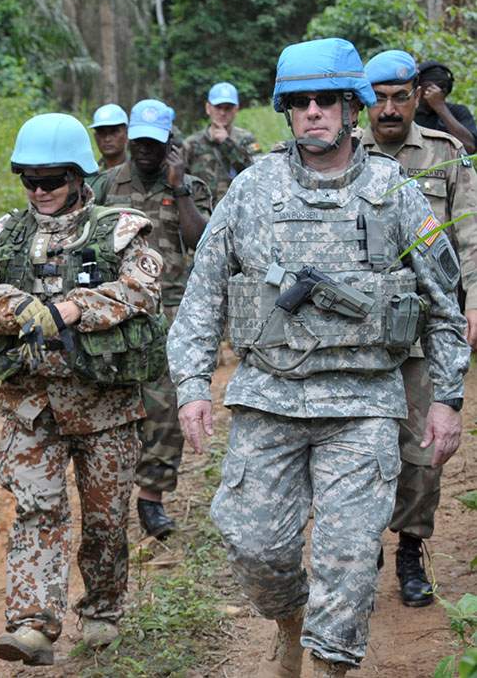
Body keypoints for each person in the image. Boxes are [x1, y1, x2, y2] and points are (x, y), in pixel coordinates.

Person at [170, 38, 467, 678]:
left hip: (363, 407)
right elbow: (202, 293)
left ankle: (331, 663)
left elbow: (444, 302)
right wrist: (192, 384)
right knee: (255, 545)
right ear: (285, 109)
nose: (313, 111)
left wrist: (446, 399)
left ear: (349, 107)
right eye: (300, 101)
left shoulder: (397, 192)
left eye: (325, 99)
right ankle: (289, 621)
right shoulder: (252, 190)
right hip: (269, 399)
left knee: (350, 554)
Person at [0, 112, 164, 665]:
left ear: (79, 176)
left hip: (105, 407)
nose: (40, 191)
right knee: (37, 512)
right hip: (33, 407)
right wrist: (20, 307)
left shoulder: (122, 228)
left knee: (104, 520)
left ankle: (101, 611)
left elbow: (142, 288)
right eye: (29, 179)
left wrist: (72, 309)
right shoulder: (4, 235)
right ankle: (32, 623)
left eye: (51, 179)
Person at [362, 48, 477, 608]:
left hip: (425, 330)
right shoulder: (339, 155)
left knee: (423, 448)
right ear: (364, 102)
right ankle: (363, 546)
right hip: (355, 331)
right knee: (356, 444)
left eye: (398, 97)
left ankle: (411, 548)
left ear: (416, 97)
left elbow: (471, 237)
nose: (388, 109)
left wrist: (474, 300)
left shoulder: (447, 155)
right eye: (378, 99)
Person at [92, 98, 212, 540]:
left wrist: (179, 188)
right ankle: (110, 491)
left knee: (165, 407)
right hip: (116, 310)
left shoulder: (192, 187)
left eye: (154, 144)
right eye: (139, 141)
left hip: (171, 311)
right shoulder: (104, 187)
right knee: (114, 403)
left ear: (170, 145)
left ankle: (152, 497)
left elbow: (202, 241)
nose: (145, 150)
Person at [184, 81, 261, 204]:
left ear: (236, 109)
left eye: (228, 108)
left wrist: (228, 144)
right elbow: (180, 181)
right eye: (218, 107)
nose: (222, 113)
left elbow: (258, 175)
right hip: (202, 213)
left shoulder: (247, 140)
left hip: (237, 210)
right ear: (208, 108)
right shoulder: (192, 143)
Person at [414, 60, 477, 154]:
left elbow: (469, 147)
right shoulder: (409, 113)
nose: (437, 91)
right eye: (429, 86)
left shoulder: (458, 111)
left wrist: (440, 107)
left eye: (442, 86)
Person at [89, 103, 129, 172]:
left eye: (114, 132)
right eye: (101, 132)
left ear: (127, 134)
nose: (107, 139)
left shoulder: (140, 172)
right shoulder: (89, 174)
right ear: (95, 137)